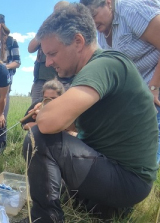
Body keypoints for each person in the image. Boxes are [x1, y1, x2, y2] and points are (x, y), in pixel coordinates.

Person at [22, 3, 158, 222]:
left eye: (53, 53)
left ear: (78, 41)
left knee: (37, 138)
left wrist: (47, 112)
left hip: (127, 181)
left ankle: (45, 219)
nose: (48, 62)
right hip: (116, 177)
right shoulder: (95, 70)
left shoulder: (105, 64)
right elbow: (78, 125)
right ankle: (100, 207)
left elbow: (47, 124)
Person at [80, 0, 160, 164]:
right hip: (139, 93)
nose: (94, 23)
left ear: (108, 3)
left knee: (151, 152)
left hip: (155, 87)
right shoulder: (102, 31)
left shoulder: (131, 12)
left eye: (94, 15)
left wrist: (153, 87)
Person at [28, 1, 71, 104]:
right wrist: (45, 29)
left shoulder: (70, 29)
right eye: (56, 13)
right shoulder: (46, 30)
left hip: (62, 80)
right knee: (36, 109)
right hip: (41, 79)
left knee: (61, 109)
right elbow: (30, 48)